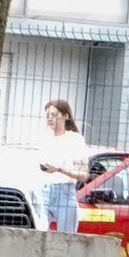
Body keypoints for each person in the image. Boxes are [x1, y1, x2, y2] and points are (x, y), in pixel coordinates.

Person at [39, 99, 91, 233]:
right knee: (38, 232)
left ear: (65, 115)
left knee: (66, 238)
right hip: (44, 191)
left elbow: (84, 175)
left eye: (54, 115)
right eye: (48, 115)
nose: (50, 118)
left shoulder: (75, 139)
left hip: (65, 192)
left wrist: (59, 169)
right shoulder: (45, 139)